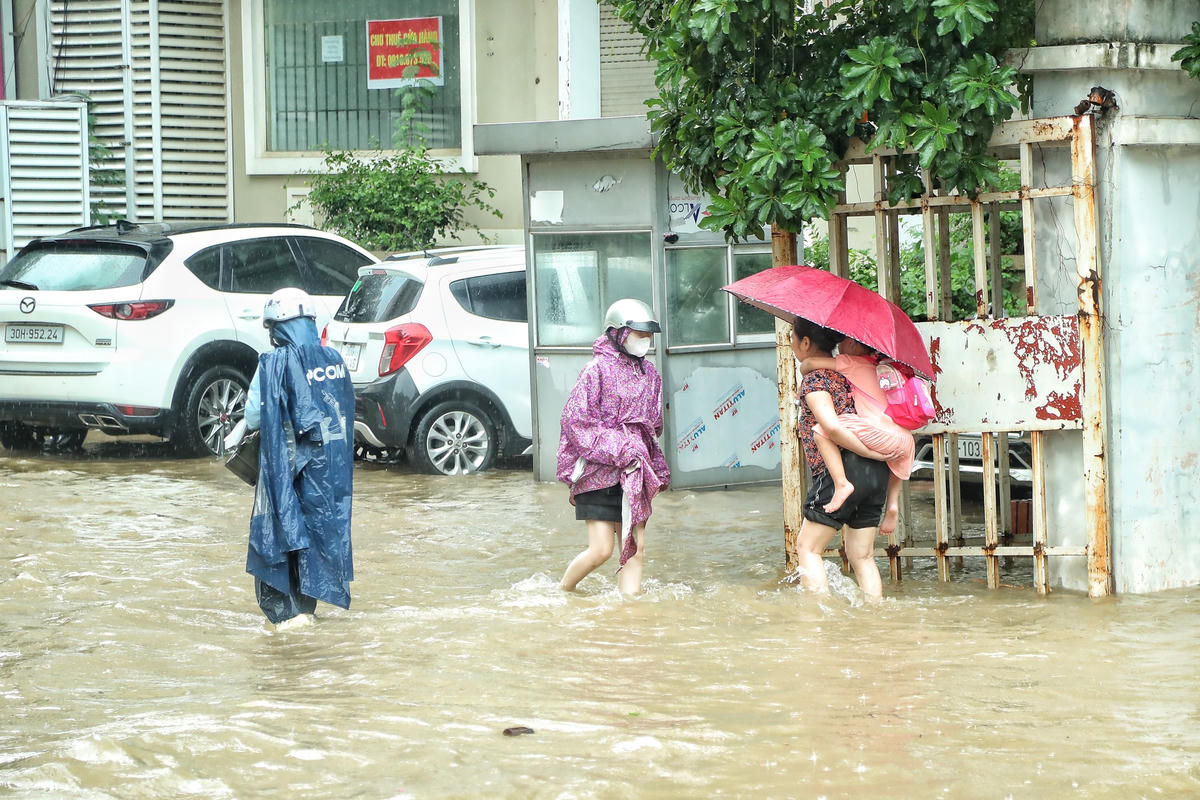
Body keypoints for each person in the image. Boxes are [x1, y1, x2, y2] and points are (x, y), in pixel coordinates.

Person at [242, 287, 355, 630]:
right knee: (314, 550)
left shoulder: (273, 364)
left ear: (277, 327)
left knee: (278, 544)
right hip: (329, 482)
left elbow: (253, 418)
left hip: (288, 476)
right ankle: (306, 619)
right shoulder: (334, 360)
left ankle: (284, 623)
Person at [557, 298, 671, 596]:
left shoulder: (650, 374)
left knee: (637, 547)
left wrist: (651, 462)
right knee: (601, 550)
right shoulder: (595, 370)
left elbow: (653, 425)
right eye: (638, 334)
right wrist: (617, 446)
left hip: (634, 471)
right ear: (617, 333)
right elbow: (574, 421)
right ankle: (564, 591)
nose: (644, 341)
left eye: (648, 336)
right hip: (597, 474)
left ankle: (629, 608)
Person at [790, 318, 891, 601]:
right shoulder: (851, 372)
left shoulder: (815, 380)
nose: (792, 344)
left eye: (792, 338)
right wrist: (875, 456)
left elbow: (831, 427)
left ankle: (819, 623)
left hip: (843, 472)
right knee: (862, 556)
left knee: (808, 548)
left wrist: (866, 452)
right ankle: (875, 615)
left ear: (806, 343)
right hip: (876, 473)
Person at [798, 337, 915, 537]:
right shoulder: (881, 367)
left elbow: (808, 364)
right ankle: (893, 504)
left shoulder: (852, 362)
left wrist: (870, 453)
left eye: (841, 343)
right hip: (904, 439)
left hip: (878, 435)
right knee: (863, 556)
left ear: (853, 343)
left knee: (823, 430)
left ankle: (842, 483)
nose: (838, 347)